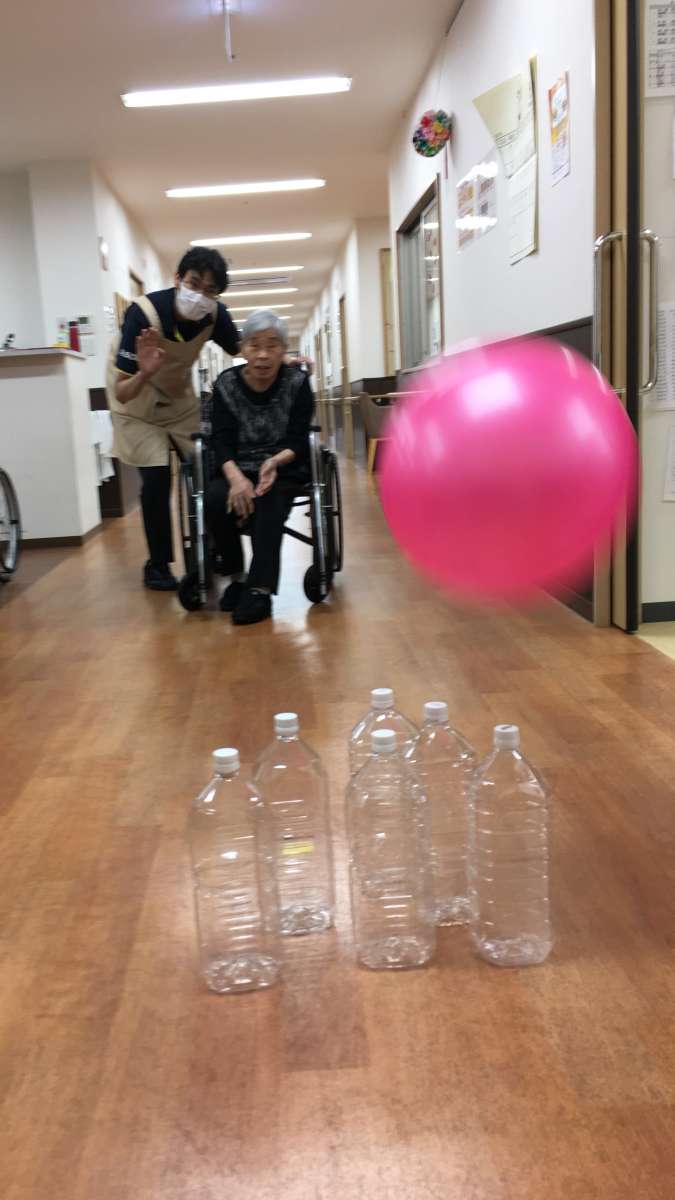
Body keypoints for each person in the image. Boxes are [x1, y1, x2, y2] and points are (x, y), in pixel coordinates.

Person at [106, 247, 240, 591]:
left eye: (210, 290)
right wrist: (144, 372)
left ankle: (214, 548)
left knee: (207, 468)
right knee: (156, 478)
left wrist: (284, 358)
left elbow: (244, 349)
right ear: (178, 279)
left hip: (179, 401)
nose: (200, 296)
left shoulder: (214, 316)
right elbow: (122, 391)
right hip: (136, 403)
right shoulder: (143, 314)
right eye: (194, 284)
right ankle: (158, 564)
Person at [206, 309, 314, 625]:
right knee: (214, 499)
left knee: (269, 500)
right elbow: (220, 439)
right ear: (242, 349)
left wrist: (275, 461)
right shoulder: (226, 384)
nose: (263, 354)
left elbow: (299, 439)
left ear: (283, 350)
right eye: (255, 345)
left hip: (282, 466)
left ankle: (260, 591)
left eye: (272, 345)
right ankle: (237, 577)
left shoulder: (297, 383)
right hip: (236, 465)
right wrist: (236, 478)